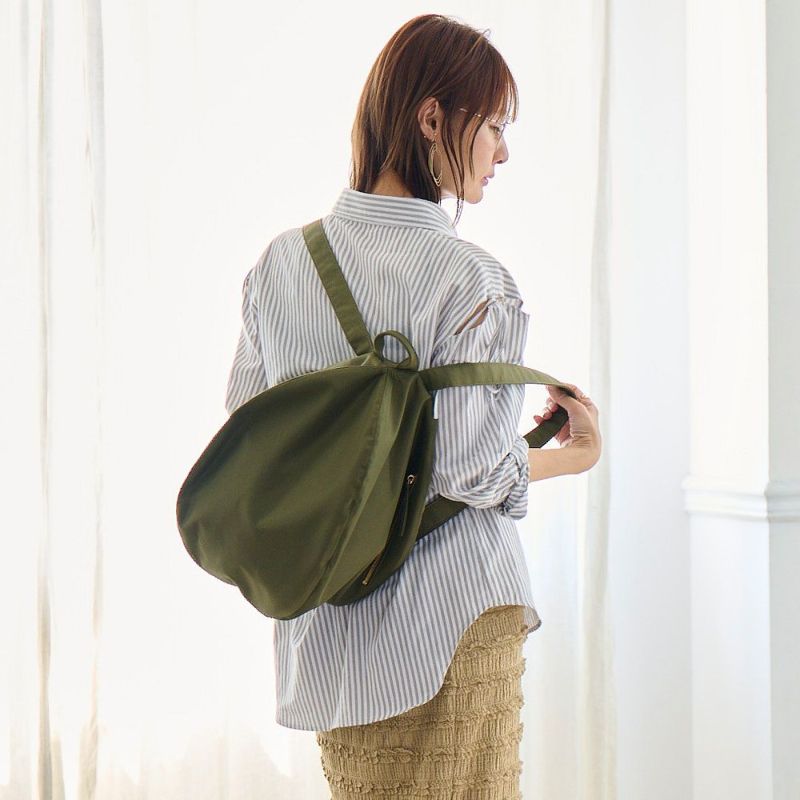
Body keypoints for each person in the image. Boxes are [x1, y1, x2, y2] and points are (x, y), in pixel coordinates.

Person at [224, 13, 601, 799]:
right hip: (449, 620)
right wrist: (573, 456)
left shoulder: (279, 267)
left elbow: (251, 436)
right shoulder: (473, 279)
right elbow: (471, 472)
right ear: (432, 118)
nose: (503, 152)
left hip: (328, 624)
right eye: (493, 125)